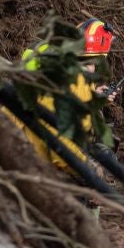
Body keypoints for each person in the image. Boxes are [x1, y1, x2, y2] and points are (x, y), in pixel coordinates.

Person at [15, 18, 115, 172]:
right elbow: (62, 151)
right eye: (93, 64)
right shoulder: (71, 84)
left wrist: (92, 94)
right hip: (33, 165)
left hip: (14, 145)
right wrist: (92, 172)